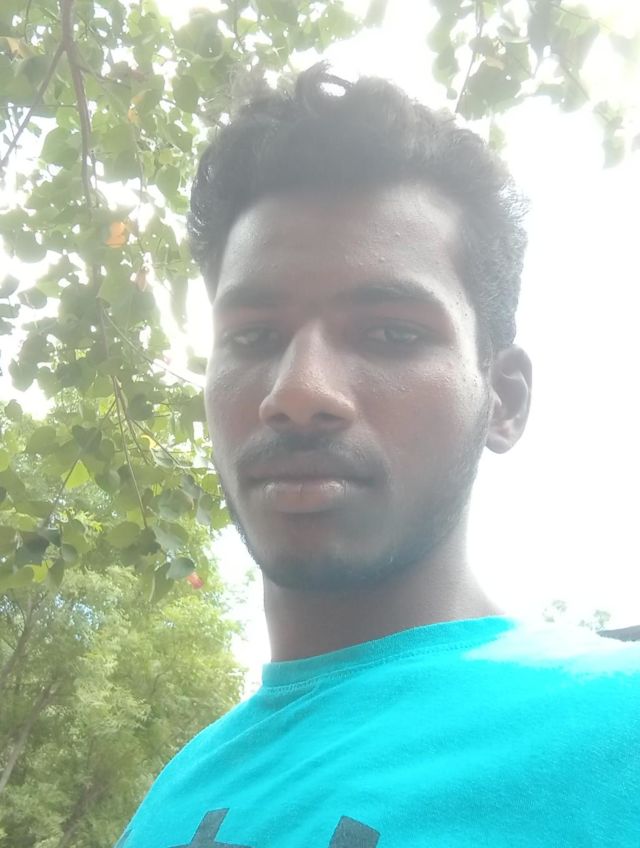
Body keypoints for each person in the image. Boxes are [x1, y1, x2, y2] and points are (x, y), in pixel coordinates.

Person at [117, 65, 640, 847]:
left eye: (392, 333)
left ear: (504, 398)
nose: (298, 391)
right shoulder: (173, 796)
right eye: (253, 337)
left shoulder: (617, 728)